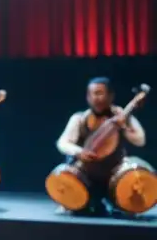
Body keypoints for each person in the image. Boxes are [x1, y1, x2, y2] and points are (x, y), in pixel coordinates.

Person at [55, 77, 146, 215]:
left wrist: (124, 126)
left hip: (112, 178)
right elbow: (62, 143)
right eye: (91, 94)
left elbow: (140, 141)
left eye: (99, 93)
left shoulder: (122, 117)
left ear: (110, 96)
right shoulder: (79, 118)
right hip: (87, 177)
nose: (95, 98)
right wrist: (79, 151)